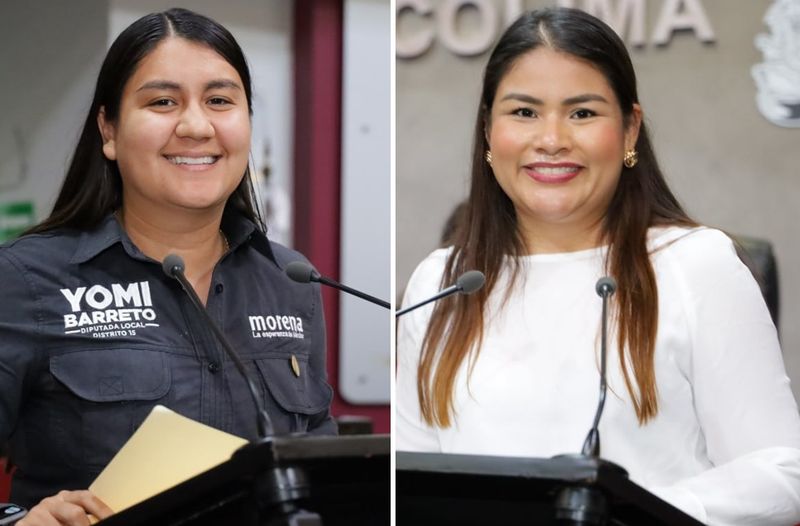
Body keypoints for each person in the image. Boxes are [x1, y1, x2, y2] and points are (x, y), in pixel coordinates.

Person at [397, 7, 800, 525]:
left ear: (630, 130)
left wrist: (622, 514)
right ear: (487, 133)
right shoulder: (441, 281)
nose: (551, 139)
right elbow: (409, 485)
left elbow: (782, 470)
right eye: (524, 112)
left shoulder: (695, 264)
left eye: (582, 113)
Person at [0, 8, 335, 525]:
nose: (196, 126)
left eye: (220, 101)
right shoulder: (27, 280)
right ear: (108, 130)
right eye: (162, 102)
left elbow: (324, 479)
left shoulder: (291, 282)